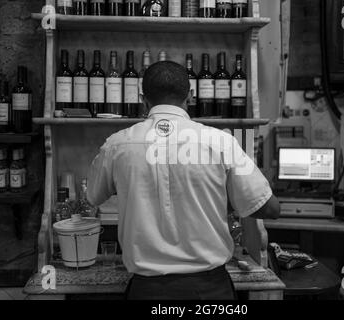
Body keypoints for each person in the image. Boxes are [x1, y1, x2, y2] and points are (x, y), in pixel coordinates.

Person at [87, 61, 280, 300]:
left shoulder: (117, 145)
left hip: (146, 291)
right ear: (190, 95)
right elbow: (271, 208)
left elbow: (93, 197)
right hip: (210, 290)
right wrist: (226, 201)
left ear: (142, 98)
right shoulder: (221, 142)